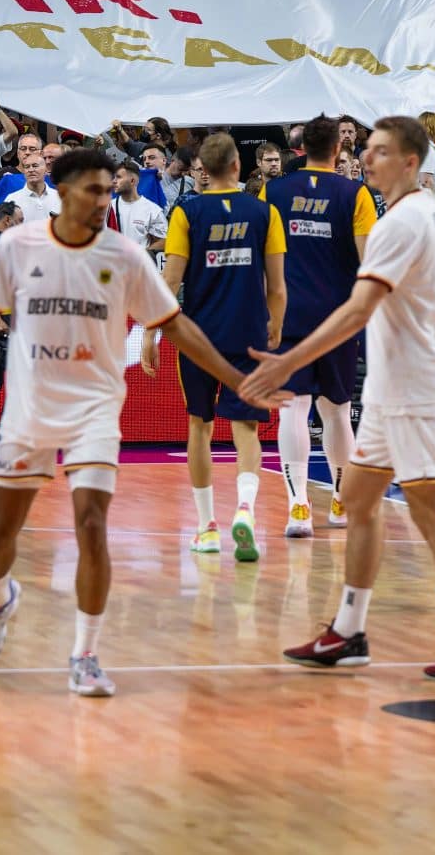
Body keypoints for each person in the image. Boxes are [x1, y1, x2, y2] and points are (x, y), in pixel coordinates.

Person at [0, 146, 277, 697]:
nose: (105, 200)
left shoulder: (125, 255)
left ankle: (86, 654)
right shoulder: (17, 245)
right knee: (0, 535)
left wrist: (237, 377)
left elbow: (175, 326)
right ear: (62, 191)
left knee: (93, 528)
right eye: (93, 190)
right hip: (30, 410)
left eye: (110, 189)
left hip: (95, 410)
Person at [247, 115, 435, 679]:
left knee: (433, 515)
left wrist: (289, 362)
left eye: (379, 151)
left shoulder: (401, 223)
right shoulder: (430, 216)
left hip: (411, 390)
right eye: (365, 149)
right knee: (362, 499)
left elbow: (359, 309)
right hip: (394, 385)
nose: (366, 159)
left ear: (410, 162)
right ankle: (349, 631)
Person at [144, 132, 285, 561]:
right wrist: (275, 326)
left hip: (199, 337)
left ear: (201, 169)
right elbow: (277, 286)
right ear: (239, 167)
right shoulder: (265, 212)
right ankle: (244, 509)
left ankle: (207, 527)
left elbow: (170, 282)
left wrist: (151, 331)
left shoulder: (187, 213)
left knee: (199, 427)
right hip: (248, 333)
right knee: (246, 431)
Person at [263, 115, 375, 537]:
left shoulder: (271, 190)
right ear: (337, 151)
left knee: (292, 409)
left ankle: (298, 507)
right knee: (337, 412)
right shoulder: (355, 193)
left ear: (300, 148)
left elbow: (264, 252)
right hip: (339, 318)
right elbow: (370, 259)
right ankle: (342, 503)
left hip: (288, 314)